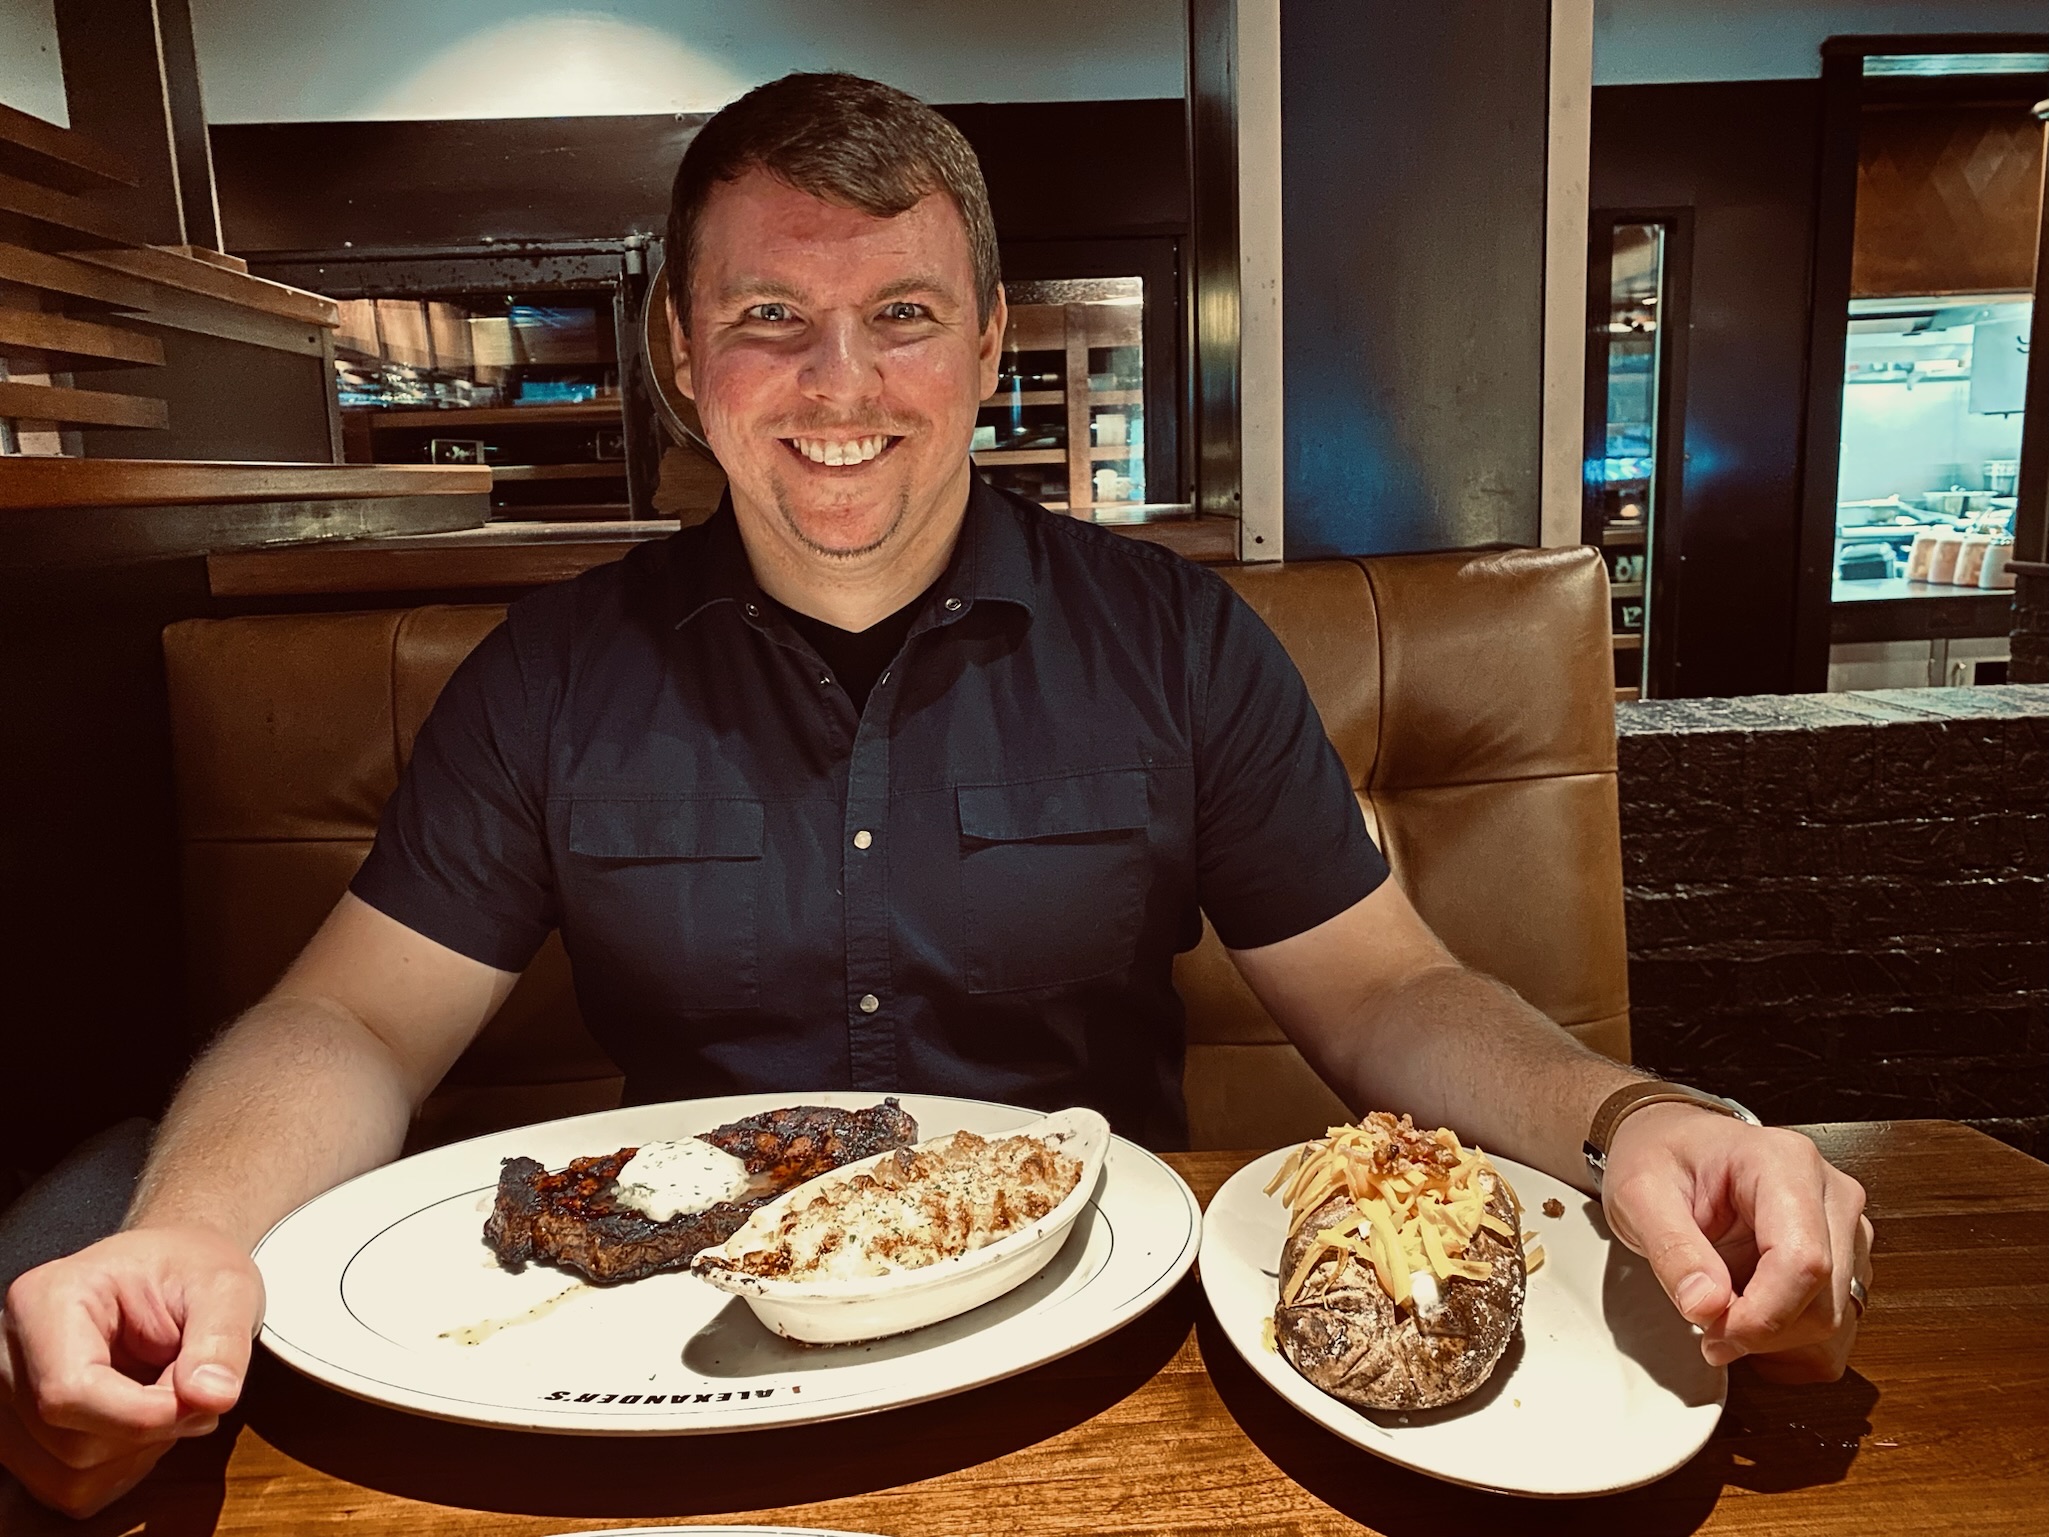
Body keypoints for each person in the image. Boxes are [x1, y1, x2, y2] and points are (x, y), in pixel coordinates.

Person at [0, 73, 1869, 1518]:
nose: (839, 383)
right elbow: (345, 1017)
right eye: (764, 319)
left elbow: (1387, 992)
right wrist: (188, 1235)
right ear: (678, 355)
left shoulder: (1176, 644)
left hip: (1108, 1371)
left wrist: (1633, 1117)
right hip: (681, 1377)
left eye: (902, 315)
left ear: (985, 344)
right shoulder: (551, 678)